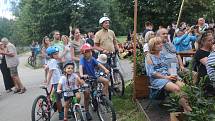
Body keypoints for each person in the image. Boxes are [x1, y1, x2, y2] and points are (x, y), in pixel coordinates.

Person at [145, 37, 192, 112]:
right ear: (152, 46)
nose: (161, 45)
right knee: (176, 89)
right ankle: (189, 110)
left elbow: (168, 67)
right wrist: (166, 77)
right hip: (157, 79)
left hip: (167, 76)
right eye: (158, 44)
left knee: (185, 87)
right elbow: (151, 73)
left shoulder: (162, 54)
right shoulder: (149, 56)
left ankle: (185, 109)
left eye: (161, 43)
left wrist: (173, 74)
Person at [79, 43, 109, 120]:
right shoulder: (82, 60)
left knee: (106, 81)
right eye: (89, 51)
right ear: (84, 53)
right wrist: (82, 75)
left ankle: (104, 97)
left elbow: (99, 64)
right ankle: (86, 111)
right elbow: (80, 67)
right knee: (87, 94)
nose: (91, 52)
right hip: (86, 79)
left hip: (94, 77)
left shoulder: (92, 58)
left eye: (91, 51)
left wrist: (105, 69)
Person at [45, 46, 64, 120]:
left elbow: (47, 68)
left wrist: (46, 67)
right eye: (55, 54)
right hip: (57, 82)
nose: (57, 55)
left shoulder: (51, 61)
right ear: (51, 55)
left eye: (57, 53)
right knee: (58, 99)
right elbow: (50, 71)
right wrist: (47, 81)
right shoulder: (53, 61)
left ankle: (57, 107)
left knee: (55, 96)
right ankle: (61, 113)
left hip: (55, 82)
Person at [193, 31, 214, 95]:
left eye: (212, 39)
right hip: (205, 79)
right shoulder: (199, 53)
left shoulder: (212, 51)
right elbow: (211, 64)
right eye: (209, 40)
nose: (212, 42)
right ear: (203, 42)